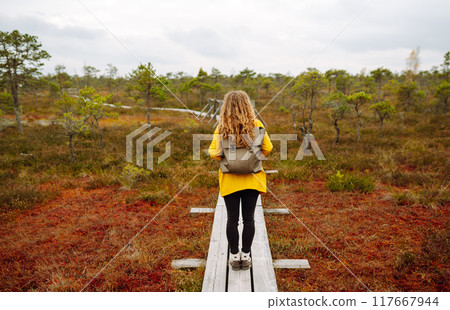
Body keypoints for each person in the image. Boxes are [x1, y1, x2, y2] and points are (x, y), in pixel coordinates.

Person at [208, 90, 273, 271]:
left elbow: (214, 153)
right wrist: (253, 154)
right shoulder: (256, 124)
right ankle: (246, 255)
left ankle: (234, 257)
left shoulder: (222, 127)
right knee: (249, 219)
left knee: (232, 219)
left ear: (226, 107)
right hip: (253, 179)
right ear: (248, 105)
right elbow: (268, 147)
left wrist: (228, 155)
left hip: (230, 179)